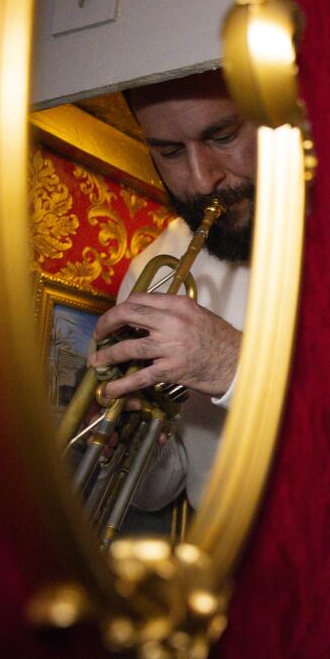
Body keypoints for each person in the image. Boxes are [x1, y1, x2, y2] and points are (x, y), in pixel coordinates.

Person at [86, 69, 256, 513]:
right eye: (170, 151)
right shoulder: (153, 266)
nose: (201, 181)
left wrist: (233, 363)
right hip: (220, 565)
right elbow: (160, 490)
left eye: (222, 136)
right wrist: (127, 441)